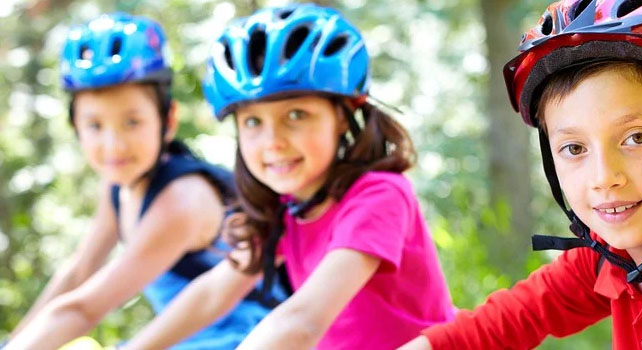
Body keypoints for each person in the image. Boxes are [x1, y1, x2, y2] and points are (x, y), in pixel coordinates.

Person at [399, 0, 642, 349]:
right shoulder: (605, 258)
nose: (604, 177)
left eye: (636, 137)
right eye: (575, 148)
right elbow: (497, 325)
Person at [120, 3, 456, 350]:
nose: (273, 142)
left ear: (343, 115)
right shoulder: (286, 207)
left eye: (296, 114)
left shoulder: (379, 195)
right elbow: (212, 294)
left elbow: (303, 320)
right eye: (252, 122)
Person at [5, 13, 288, 350]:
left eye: (132, 122)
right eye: (95, 125)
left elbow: (85, 309)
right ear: (75, 127)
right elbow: (79, 272)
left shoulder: (181, 200)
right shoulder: (118, 186)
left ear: (168, 120)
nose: (114, 146)